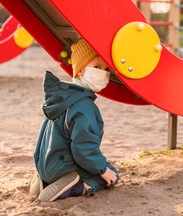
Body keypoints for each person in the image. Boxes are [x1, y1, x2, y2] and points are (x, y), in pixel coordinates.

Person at [29, 39, 119, 202]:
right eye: (97, 67)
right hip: (64, 168)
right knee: (111, 174)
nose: (104, 73)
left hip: (47, 164)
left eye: (106, 69)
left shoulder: (62, 97)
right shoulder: (84, 106)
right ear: (81, 71)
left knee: (100, 166)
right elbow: (83, 148)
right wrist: (102, 169)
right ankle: (76, 186)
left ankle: (45, 181)